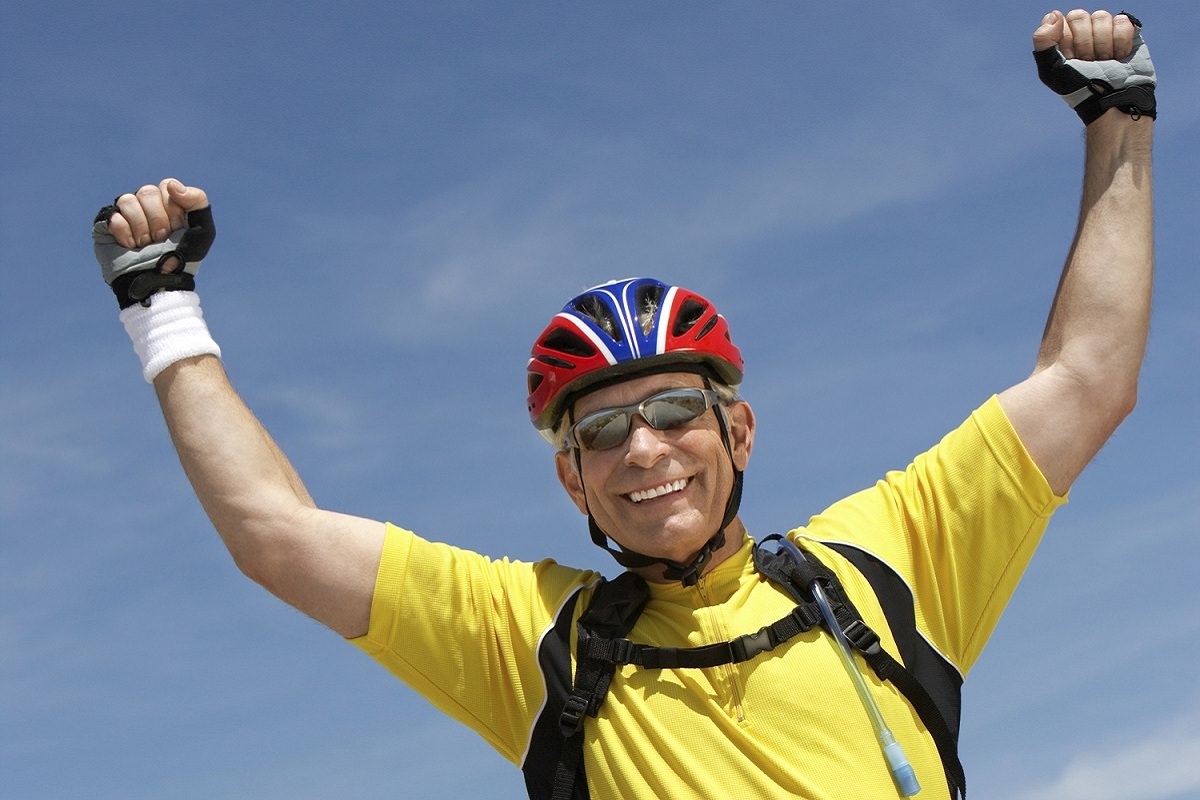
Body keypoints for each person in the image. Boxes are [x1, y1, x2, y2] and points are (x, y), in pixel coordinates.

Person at [91, 9, 1155, 800]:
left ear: (737, 429)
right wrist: (160, 304)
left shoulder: (883, 560)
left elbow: (1090, 376)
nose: (644, 447)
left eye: (676, 410)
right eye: (599, 429)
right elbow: (276, 537)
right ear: (572, 476)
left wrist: (1118, 119)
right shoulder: (537, 637)